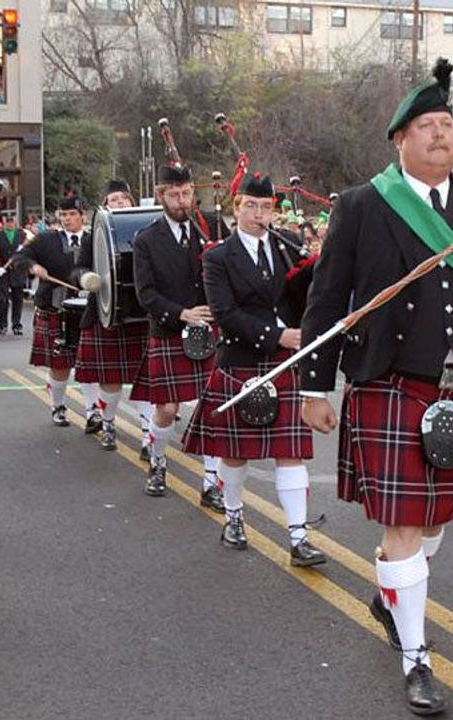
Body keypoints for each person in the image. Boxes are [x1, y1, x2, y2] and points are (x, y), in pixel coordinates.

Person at [298, 58, 453, 715]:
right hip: (389, 383)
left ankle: (390, 594)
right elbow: (327, 299)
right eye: (426, 125)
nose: (441, 134)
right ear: (399, 139)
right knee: (405, 523)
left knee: (433, 519)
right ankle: (416, 657)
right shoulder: (362, 205)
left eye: (446, 123)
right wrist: (315, 386)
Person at [181, 172, 325, 565]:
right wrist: (277, 336)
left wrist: (317, 265)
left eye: (266, 207)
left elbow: (300, 296)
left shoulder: (287, 245)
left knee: (290, 453)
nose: (259, 213)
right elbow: (225, 314)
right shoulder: (217, 257)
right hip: (242, 359)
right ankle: (233, 517)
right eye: (251, 205)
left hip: (285, 362)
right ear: (236, 207)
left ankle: (298, 538)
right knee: (235, 454)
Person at [129, 163, 228, 502]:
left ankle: (212, 483)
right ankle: (157, 464)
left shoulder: (211, 228)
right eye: (175, 194)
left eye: (187, 193)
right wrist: (182, 313)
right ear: (161, 197)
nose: (183, 201)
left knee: (213, 407)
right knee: (167, 409)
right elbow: (146, 294)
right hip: (170, 329)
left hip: (208, 330)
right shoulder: (146, 239)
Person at [70, 179, 153, 455]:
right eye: (113, 199)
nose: (118, 203)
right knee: (110, 379)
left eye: (123, 198)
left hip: (141, 313)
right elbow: (78, 268)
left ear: (132, 202)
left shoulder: (149, 229)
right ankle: (107, 424)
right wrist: (85, 278)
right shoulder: (94, 233)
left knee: (147, 380)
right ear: (105, 205)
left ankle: (147, 436)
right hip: (105, 311)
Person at [18, 195, 98, 428]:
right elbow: (19, 257)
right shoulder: (46, 239)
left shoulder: (95, 239)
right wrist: (33, 266)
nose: (67, 219)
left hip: (88, 309)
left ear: (83, 215)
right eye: (63, 215)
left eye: (72, 214)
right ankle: (58, 407)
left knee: (89, 363)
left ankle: (93, 412)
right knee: (59, 364)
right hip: (54, 307)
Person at [0, 213, 27, 336]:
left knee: (18, 299)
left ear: (15, 222)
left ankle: (17, 325)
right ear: (4, 222)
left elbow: (31, 250)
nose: (10, 223)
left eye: (12, 221)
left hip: (18, 271)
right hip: (3, 271)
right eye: (8, 221)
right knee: (3, 299)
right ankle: (3, 325)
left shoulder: (23, 235)